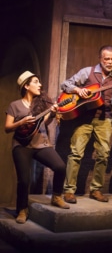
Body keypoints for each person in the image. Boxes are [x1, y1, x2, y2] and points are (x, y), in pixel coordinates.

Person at [57, 45, 112, 203]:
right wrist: (77, 90)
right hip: (84, 118)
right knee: (76, 154)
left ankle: (96, 190)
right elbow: (65, 84)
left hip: (105, 119)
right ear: (100, 59)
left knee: (103, 155)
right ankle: (69, 191)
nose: (109, 62)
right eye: (106, 59)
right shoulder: (87, 72)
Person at [5, 71, 70, 224]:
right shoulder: (15, 105)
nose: (40, 84)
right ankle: (22, 209)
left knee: (60, 167)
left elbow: (44, 123)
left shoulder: (41, 104)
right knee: (24, 180)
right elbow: (7, 128)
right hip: (22, 145)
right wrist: (21, 122)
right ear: (26, 86)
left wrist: (52, 114)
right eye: (36, 82)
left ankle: (56, 196)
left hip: (41, 143)